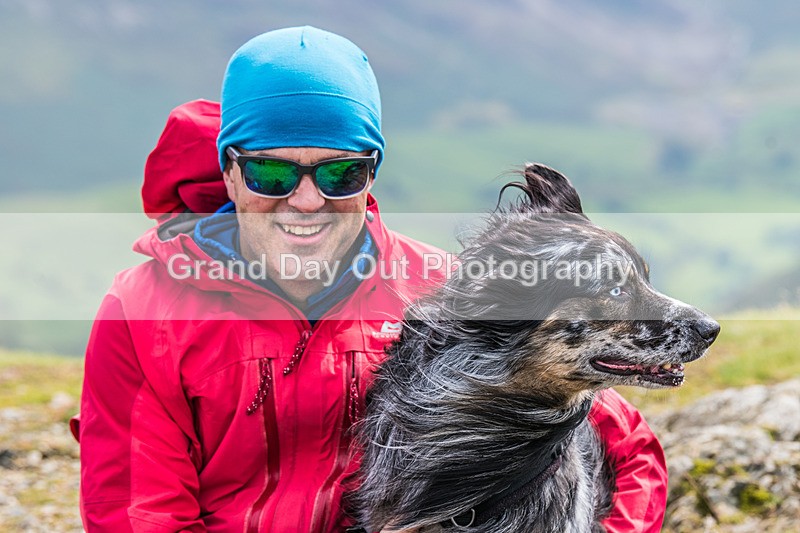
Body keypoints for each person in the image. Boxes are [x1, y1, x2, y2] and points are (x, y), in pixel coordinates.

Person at [75, 26, 668, 532]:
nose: (305, 202)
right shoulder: (143, 313)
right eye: (269, 173)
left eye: (339, 173)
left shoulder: (442, 291)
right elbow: (136, 512)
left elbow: (626, 448)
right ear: (229, 171)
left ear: (372, 173)